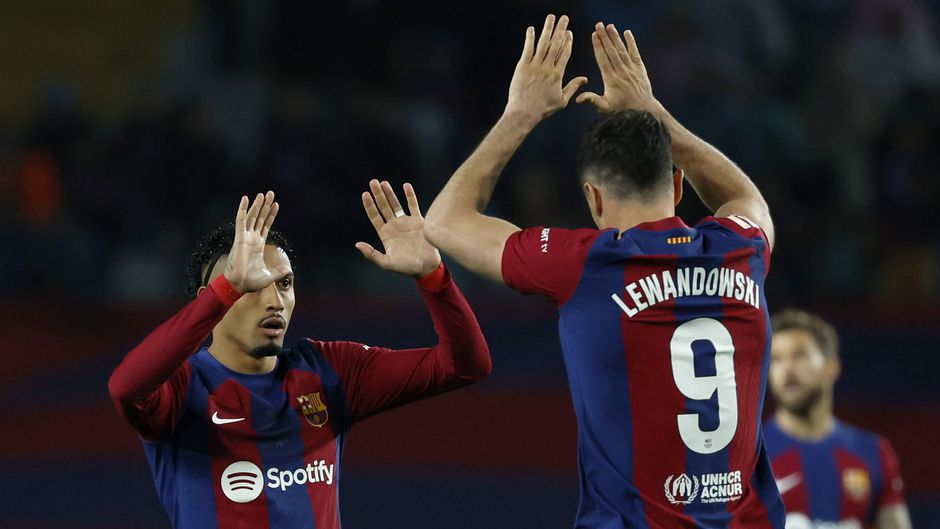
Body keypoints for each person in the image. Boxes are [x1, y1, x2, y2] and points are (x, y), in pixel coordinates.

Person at [424, 14, 784, 528]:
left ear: (593, 198)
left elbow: (445, 221)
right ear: (677, 185)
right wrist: (655, 113)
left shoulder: (585, 264)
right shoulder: (741, 250)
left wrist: (520, 113)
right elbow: (748, 200)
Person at [108, 184, 491, 529]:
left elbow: (465, 366)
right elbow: (125, 388)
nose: (275, 301)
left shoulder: (330, 371)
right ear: (214, 296)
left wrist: (433, 277)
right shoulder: (182, 388)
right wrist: (227, 290)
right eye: (253, 286)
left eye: (285, 284)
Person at [765, 309, 912, 529]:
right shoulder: (751, 456)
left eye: (799, 355)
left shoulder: (873, 453)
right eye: (776, 359)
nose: (787, 370)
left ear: (831, 368)